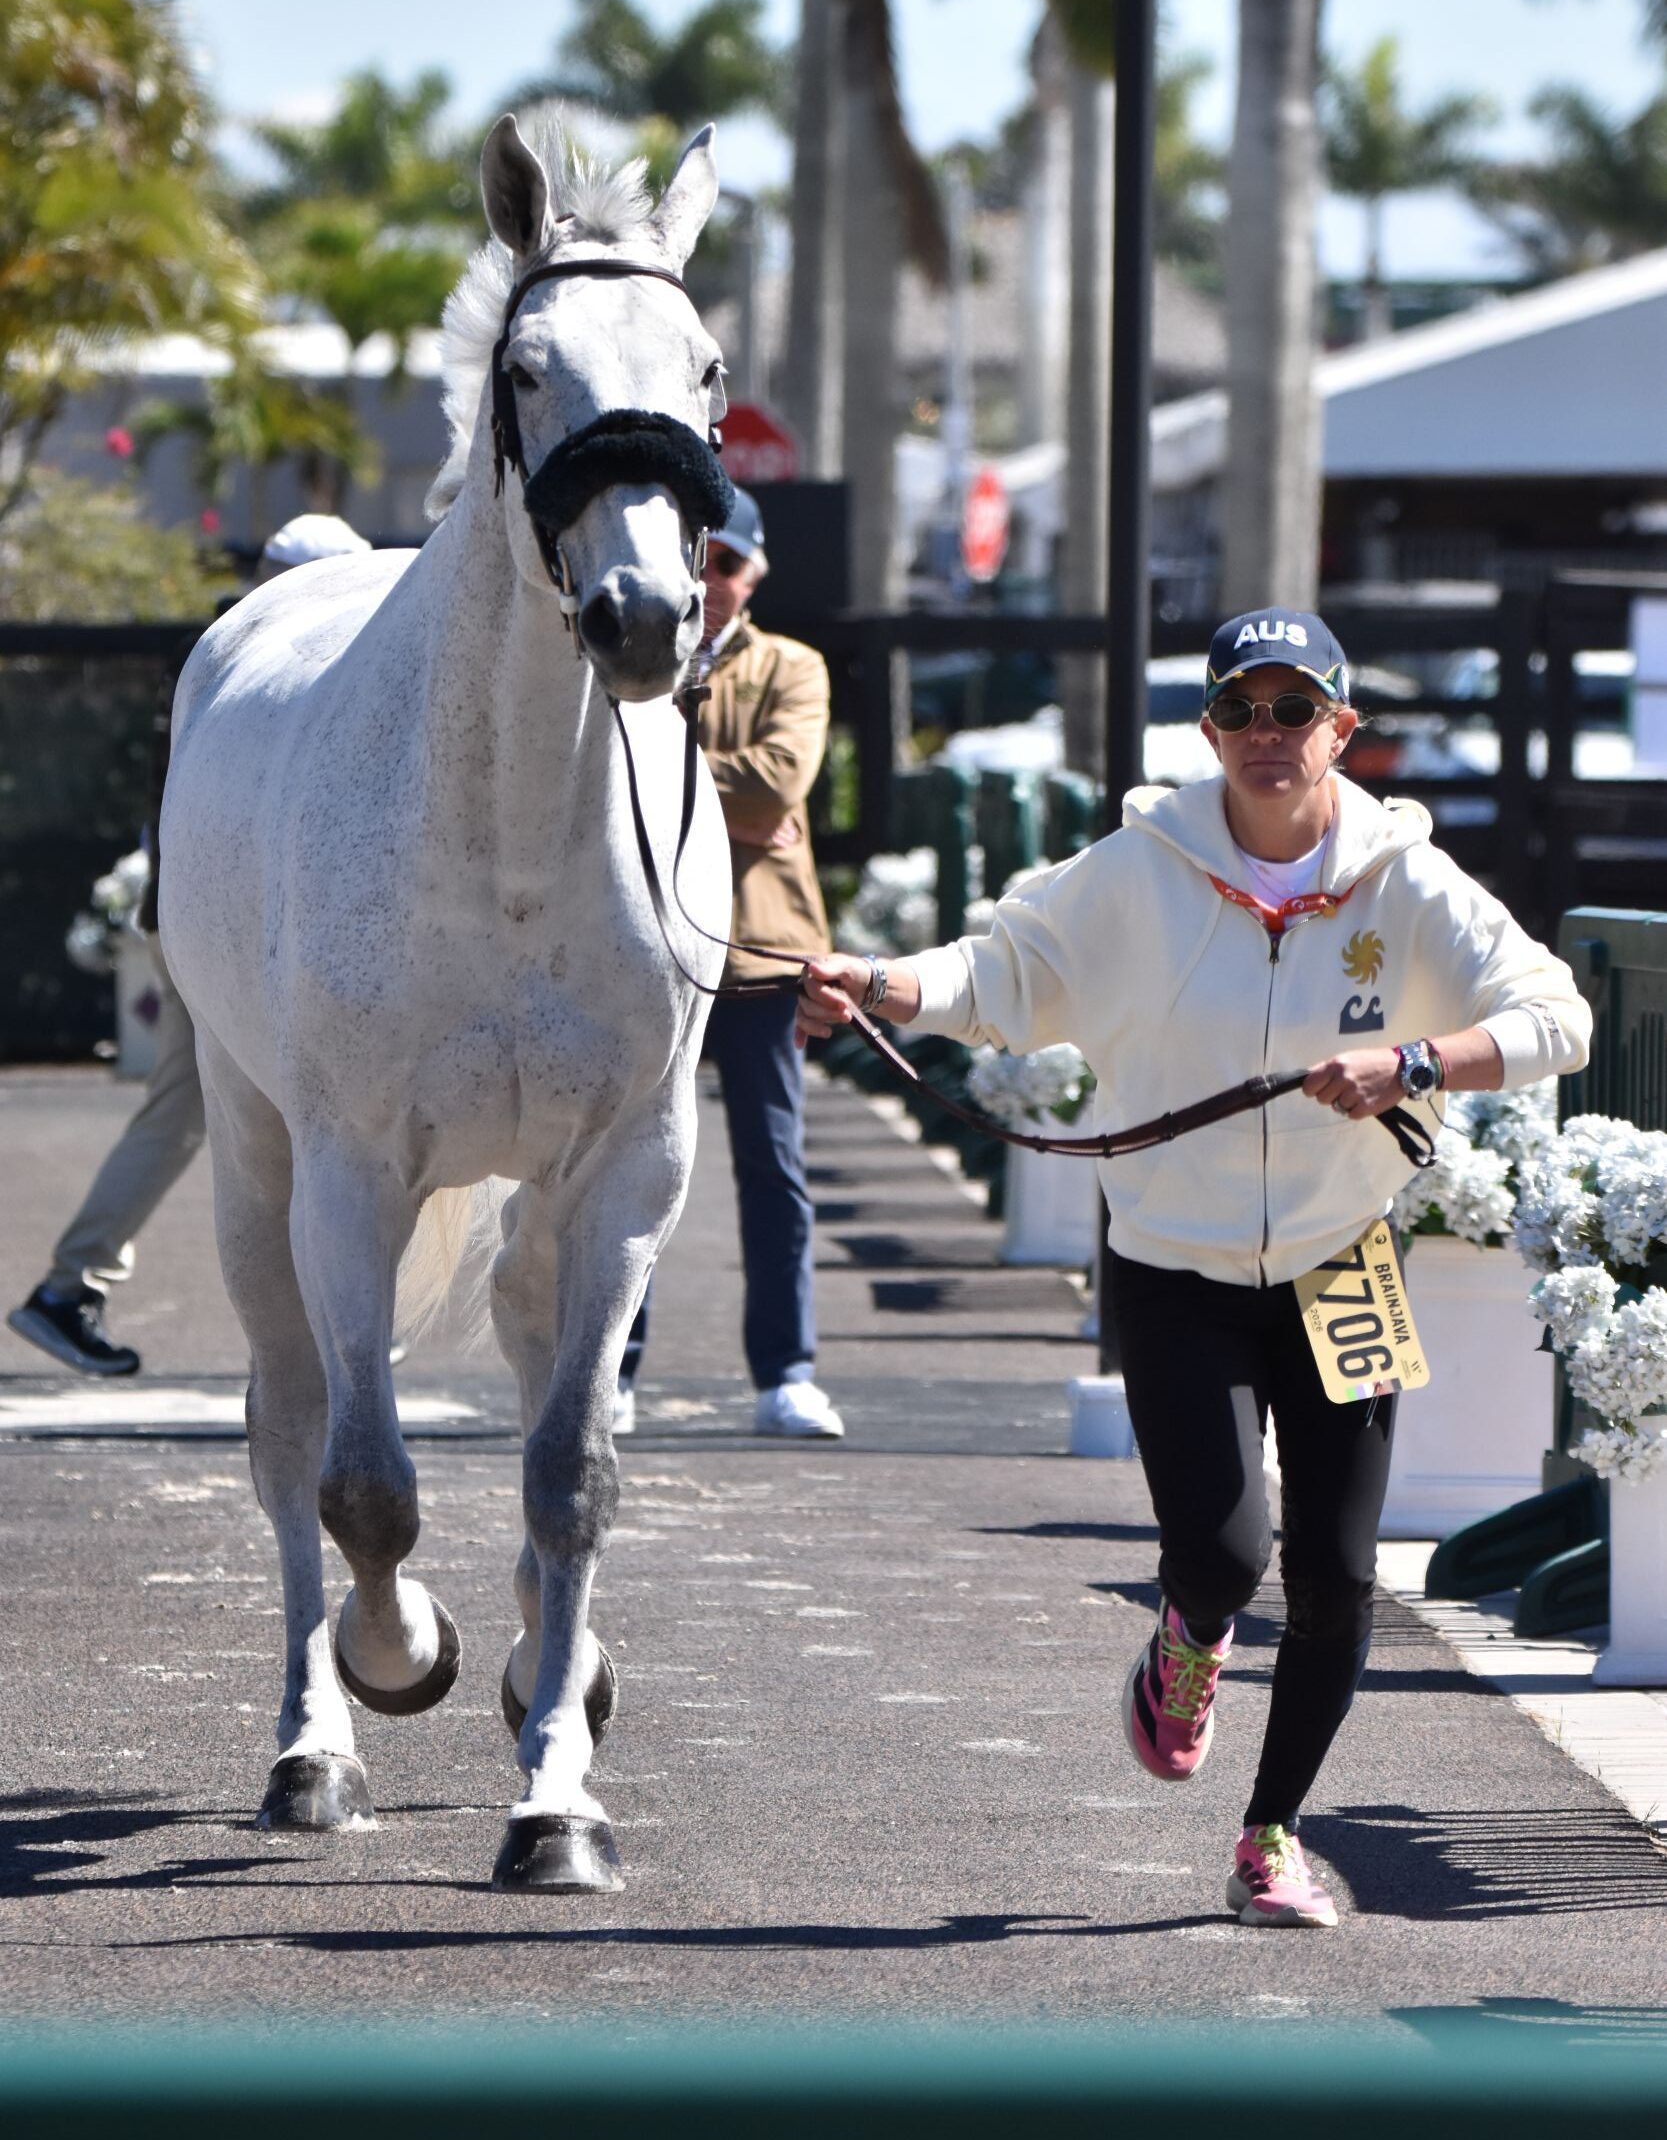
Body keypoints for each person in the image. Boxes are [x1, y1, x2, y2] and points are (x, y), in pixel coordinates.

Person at [798, 605, 1591, 1926]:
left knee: (1338, 1574)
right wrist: (876, 984)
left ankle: (1268, 1836)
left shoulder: (1406, 880)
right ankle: (1188, 1634)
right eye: (1237, 710)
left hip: (1341, 1261)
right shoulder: (1137, 866)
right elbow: (1001, 973)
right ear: (1207, 729)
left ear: (1341, 727)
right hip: (1172, 1262)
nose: (1264, 734)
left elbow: (1556, 1015)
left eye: (1293, 710)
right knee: (1223, 1554)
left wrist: (1412, 1062)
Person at [8, 513, 372, 1379]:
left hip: (215, 922)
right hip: (226, 927)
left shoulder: (228, 655)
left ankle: (73, 1287)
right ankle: (71, 1287)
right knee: (242, 1112)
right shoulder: (268, 663)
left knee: (209, 1113)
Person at [618, 485, 844, 1441]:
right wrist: (736, 806)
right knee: (625, 1165)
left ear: (755, 574)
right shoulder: (624, 656)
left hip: (761, 954)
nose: (712, 582)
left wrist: (648, 768)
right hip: (641, 943)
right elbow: (745, 799)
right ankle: (612, 1368)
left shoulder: (793, 664)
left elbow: (780, 784)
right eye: (701, 560)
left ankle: (786, 1372)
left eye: (730, 565)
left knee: (773, 1165)